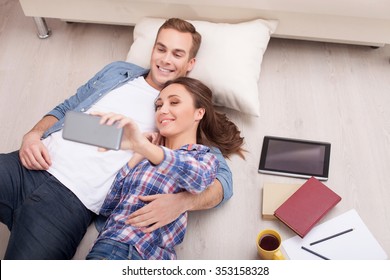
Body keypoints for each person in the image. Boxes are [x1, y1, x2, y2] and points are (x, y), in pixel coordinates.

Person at [0, 18, 232, 260]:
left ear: (190, 63)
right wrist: (33, 134)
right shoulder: (118, 72)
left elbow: (223, 182)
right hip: (26, 165)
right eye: (161, 49)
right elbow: (67, 108)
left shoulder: (181, 113)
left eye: (177, 54)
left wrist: (182, 202)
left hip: (70, 202)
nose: (165, 60)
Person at [86, 77, 245, 260]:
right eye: (159, 106)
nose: (163, 110)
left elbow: (198, 180)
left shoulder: (203, 156)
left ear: (199, 113)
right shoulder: (144, 158)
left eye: (174, 102)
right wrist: (139, 153)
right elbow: (108, 207)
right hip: (114, 249)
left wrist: (148, 149)